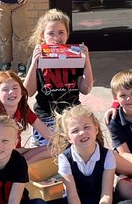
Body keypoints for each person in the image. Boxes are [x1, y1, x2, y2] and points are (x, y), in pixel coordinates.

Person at [44, 105, 129, 204]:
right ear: (68, 137)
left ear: (96, 129)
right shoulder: (65, 158)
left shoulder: (107, 155)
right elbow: (72, 195)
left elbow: (107, 194)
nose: (82, 133)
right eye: (75, 131)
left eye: (87, 127)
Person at [23, 8, 93, 136]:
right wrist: (34, 63)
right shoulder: (36, 58)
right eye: (51, 33)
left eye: (61, 32)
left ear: (67, 34)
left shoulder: (74, 55)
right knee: (48, 153)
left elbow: (85, 89)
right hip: (46, 117)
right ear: (42, 36)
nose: (57, 37)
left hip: (72, 115)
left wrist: (86, 60)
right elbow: (28, 92)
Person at [0, 69, 54, 162]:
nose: (11, 92)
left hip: (16, 154)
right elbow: (0, 151)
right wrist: (27, 150)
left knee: (56, 149)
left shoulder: (23, 109)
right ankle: (22, 168)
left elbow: (48, 134)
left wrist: (65, 143)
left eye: (15, 88)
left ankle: (22, 167)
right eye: (5, 89)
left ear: (22, 92)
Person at [105, 69, 132, 201]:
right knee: (109, 157)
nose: (128, 98)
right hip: (129, 165)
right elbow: (123, 153)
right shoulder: (114, 120)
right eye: (123, 95)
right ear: (115, 98)